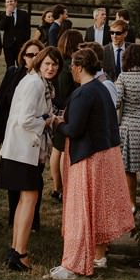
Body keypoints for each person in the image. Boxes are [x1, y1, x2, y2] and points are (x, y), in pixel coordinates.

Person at [48, 48, 135, 279]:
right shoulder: (102, 89)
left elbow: (75, 129)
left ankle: (74, 264)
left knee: (81, 211)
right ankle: (97, 256)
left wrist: (56, 124)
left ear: (77, 67)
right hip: (106, 154)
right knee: (95, 209)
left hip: (88, 157)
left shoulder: (84, 93)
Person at [0, 46, 64, 272]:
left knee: (24, 200)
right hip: (23, 151)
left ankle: (16, 249)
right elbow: (26, 119)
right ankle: (21, 254)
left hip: (22, 150)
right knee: (29, 199)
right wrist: (46, 122)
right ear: (38, 63)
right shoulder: (35, 84)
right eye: (46, 63)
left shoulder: (37, 82)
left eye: (55, 64)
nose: (51, 68)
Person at [0, 38, 44, 230]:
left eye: (38, 54)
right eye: (30, 54)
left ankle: (33, 219)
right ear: (23, 57)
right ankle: (14, 216)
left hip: (34, 137)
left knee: (33, 179)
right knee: (14, 180)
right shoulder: (13, 74)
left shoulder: (44, 78)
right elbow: (0, 104)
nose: (34, 58)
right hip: (12, 133)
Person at [116, 43, 140, 207]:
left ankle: (131, 203)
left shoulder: (123, 77)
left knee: (129, 168)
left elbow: (117, 102)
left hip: (129, 126)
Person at [49, 29, 85, 203]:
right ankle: (61, 188)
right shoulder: (70, 66)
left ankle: (57, 188)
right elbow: (66, 92)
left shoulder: (59, 63)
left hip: (58, 109)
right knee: (62, 151)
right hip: (66, 110)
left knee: (57, 149)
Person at [0, 0, 31, 68]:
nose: (9, 3)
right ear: (5, 4)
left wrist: (25, 44)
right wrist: (8, 15)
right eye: (7, 2)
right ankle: (10, 79)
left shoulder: (24, 14)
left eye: (11, 1)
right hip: (8, 45)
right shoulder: (3, 15)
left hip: (20, 45)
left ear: (16, 2)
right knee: (10, 67)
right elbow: (1, 27)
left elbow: (27, 30)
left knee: (21, 65)